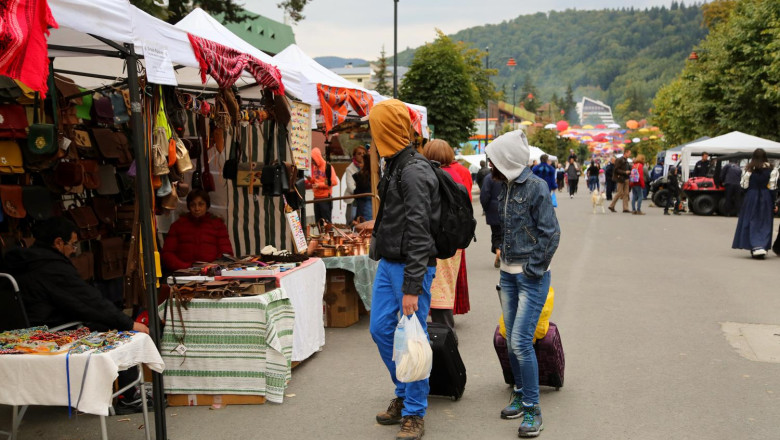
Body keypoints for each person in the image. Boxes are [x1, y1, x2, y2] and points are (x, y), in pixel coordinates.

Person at [3, 217, 151, 414]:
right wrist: (129, 323)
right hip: (47, 334)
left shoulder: (19, 262)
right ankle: (129, 395)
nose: (74, 250)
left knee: (99, 318)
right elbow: (90, 302)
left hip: (14, 335)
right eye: (72, 244)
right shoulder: (52, 267)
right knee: (116, 327)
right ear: (58, 242)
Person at [368, 99, 439, 440]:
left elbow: (420, 232)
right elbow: (399, 219)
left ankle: (414, 411)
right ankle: (404, 387)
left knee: (412, 340)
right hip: (390, 263)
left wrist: (412, 285)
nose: (371, 133)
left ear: (387, 129)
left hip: (411, 268)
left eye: (375, 127)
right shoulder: (395, 164)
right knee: (380, 329)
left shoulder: (413, 170)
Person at [486, 130, 560, 438]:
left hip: (530, 278)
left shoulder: (536, 187)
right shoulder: (504, 186)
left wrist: (532, 268)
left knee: (519, 341)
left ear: (508, 159)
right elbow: (505, 226)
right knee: (509, 336)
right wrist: (502, 253)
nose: (490, 164)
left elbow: (551, 233)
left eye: (494, 159)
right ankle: (519, 391)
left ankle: (533, 409)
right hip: (508, 276)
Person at [422, 139, 465, 334]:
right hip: (453, 240)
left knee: (438, 288)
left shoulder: (434, 176)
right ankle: (445, 333)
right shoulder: (456, 174)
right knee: (445, 286)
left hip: (438, 239)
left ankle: (445, 337)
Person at [162, 190, 234, 272]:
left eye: (201, 204)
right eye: (193, 205)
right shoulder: (178, 225)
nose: (197, 208)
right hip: (183, 273)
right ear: (189, 206)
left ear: (207, 205)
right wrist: (186, 267)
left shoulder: (217, 225)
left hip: (211, 273)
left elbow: (226, 254)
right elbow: (167, 254)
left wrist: (211, 267)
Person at [732, 148, 778, 259]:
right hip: (766, 195)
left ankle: (754, 246)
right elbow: (773, 187)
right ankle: (761, 245)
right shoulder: (772, 169)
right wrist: (774, 203)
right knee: (764, 221)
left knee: (750, 220)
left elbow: (743, 186)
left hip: (751, 195)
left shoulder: (748, 168)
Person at [308, 147, 339, 224]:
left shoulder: (328, 167)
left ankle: (328, 235)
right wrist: (310, 180)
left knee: (326, 222)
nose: (312, 162)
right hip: (316, 198)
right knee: (318, 222)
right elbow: (316, 180)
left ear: (317, 157)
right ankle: (321, 235)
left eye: (313, 159)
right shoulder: (315, 167)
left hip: (325, 198)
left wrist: (319, 185)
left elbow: (334, 182)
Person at [480, 170, 502, 269]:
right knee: (506, 232)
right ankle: (505, 253)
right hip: (507, 207)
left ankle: (498, 250)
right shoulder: (507, 176)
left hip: (493, 208)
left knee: (496, 233)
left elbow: (484, 195)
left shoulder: (489, 178)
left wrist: (485, 208)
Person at [343, 145, 367, 223]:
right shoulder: (350, 169)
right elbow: (351, 187)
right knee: (352, 221)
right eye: (359, 153)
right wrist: (362, 191)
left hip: (365, 200)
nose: (362, 155)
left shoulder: (368, 167)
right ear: (354, 156)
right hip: (353, 199)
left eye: (363, 153)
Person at [352, 148, 374, 221]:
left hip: (365, 206)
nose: (359, 165)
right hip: (365, 205)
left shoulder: (363, 177)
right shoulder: (370, 176)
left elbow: (357, 192)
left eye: (361, 163)